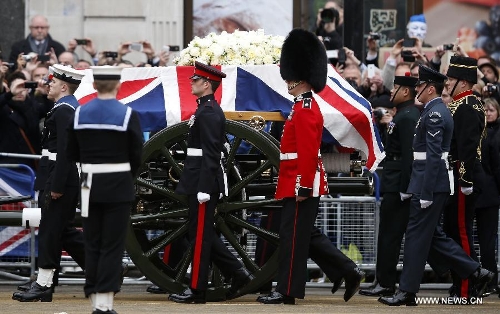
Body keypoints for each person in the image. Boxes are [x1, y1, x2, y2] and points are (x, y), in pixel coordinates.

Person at [257, 28, 364, 305]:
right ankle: (347, 270)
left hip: (299, 181)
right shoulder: (300, 106)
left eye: (289, 77)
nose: (287, 82)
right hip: (295, 179)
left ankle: (287, 291)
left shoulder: (305, 108)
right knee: (302, 234)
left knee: (293, 239)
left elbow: (306, 153)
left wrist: (303, 185)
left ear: (298, 78)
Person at [378, 64, 493, 306]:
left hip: (429, 183)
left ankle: (408, 291)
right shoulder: (434, 110)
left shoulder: (434, 113)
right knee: (431, 237)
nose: (415, 89)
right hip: (426, 182)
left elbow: (432, 157)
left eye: (419, 85)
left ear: (430, 89)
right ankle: (474, 271)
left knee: (417, 237)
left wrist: (426, 191)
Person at [167, 61, 254, 304]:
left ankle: (197, 290)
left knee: (201, 237)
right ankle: (237, 273)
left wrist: (205, 188)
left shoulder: (208, 112)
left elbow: (211, 153)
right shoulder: (205, 110)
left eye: (195, 80)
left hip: (202, 183)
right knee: (200, 234)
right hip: (197, 179)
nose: (191, 82)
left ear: (206, 84)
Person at [66, 66, 143, 314]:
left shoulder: (79, 114)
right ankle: (104, 305)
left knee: (93, 243)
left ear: (95, 86)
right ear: (118, 86)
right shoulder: (127, 114)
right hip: (118, 186)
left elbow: (71, 153)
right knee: (112, 245)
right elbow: (137, 155)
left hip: (89, 184)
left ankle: (94, 301)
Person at [12, 64, 86, 302]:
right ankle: (105, 270)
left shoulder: (65, 109)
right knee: (61, 231)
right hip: (56, 174)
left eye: (52, 82)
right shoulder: (64, 107)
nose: (48, 84)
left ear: (64, 86)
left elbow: (66, 152)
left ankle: (44, 283)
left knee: (51, 230)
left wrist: (56, 185)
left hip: (59, 176)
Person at [359, 73, 420, 297]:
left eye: (395, 88)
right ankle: (383, 281)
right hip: (393, 182)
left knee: (391, 236)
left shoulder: (408, 116)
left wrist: (406, 187)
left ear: (406, 91)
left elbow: (408, 156)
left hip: (398, 185)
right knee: (387, 235)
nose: (391, 92)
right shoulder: (403, 115)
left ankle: (385, 283)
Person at [443, 56, 486, 298]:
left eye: (450, 78)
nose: (447, 82)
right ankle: (461, 281)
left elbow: (468, 147)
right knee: (453, 230)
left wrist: (465, 180)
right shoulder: (459, 104)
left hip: (462, 175)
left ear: (463, 81)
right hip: (454, 174)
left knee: (460, 230)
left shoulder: (468, 106)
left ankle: (468, 287)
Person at [475, 97, 500, 295]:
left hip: (489, 195)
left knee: (487, 241)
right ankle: (480, 278)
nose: (488, 113)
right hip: (477, 192)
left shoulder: (496, 135)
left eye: (492, 110)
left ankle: (490, 279)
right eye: (486, 109)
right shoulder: (477, 132)